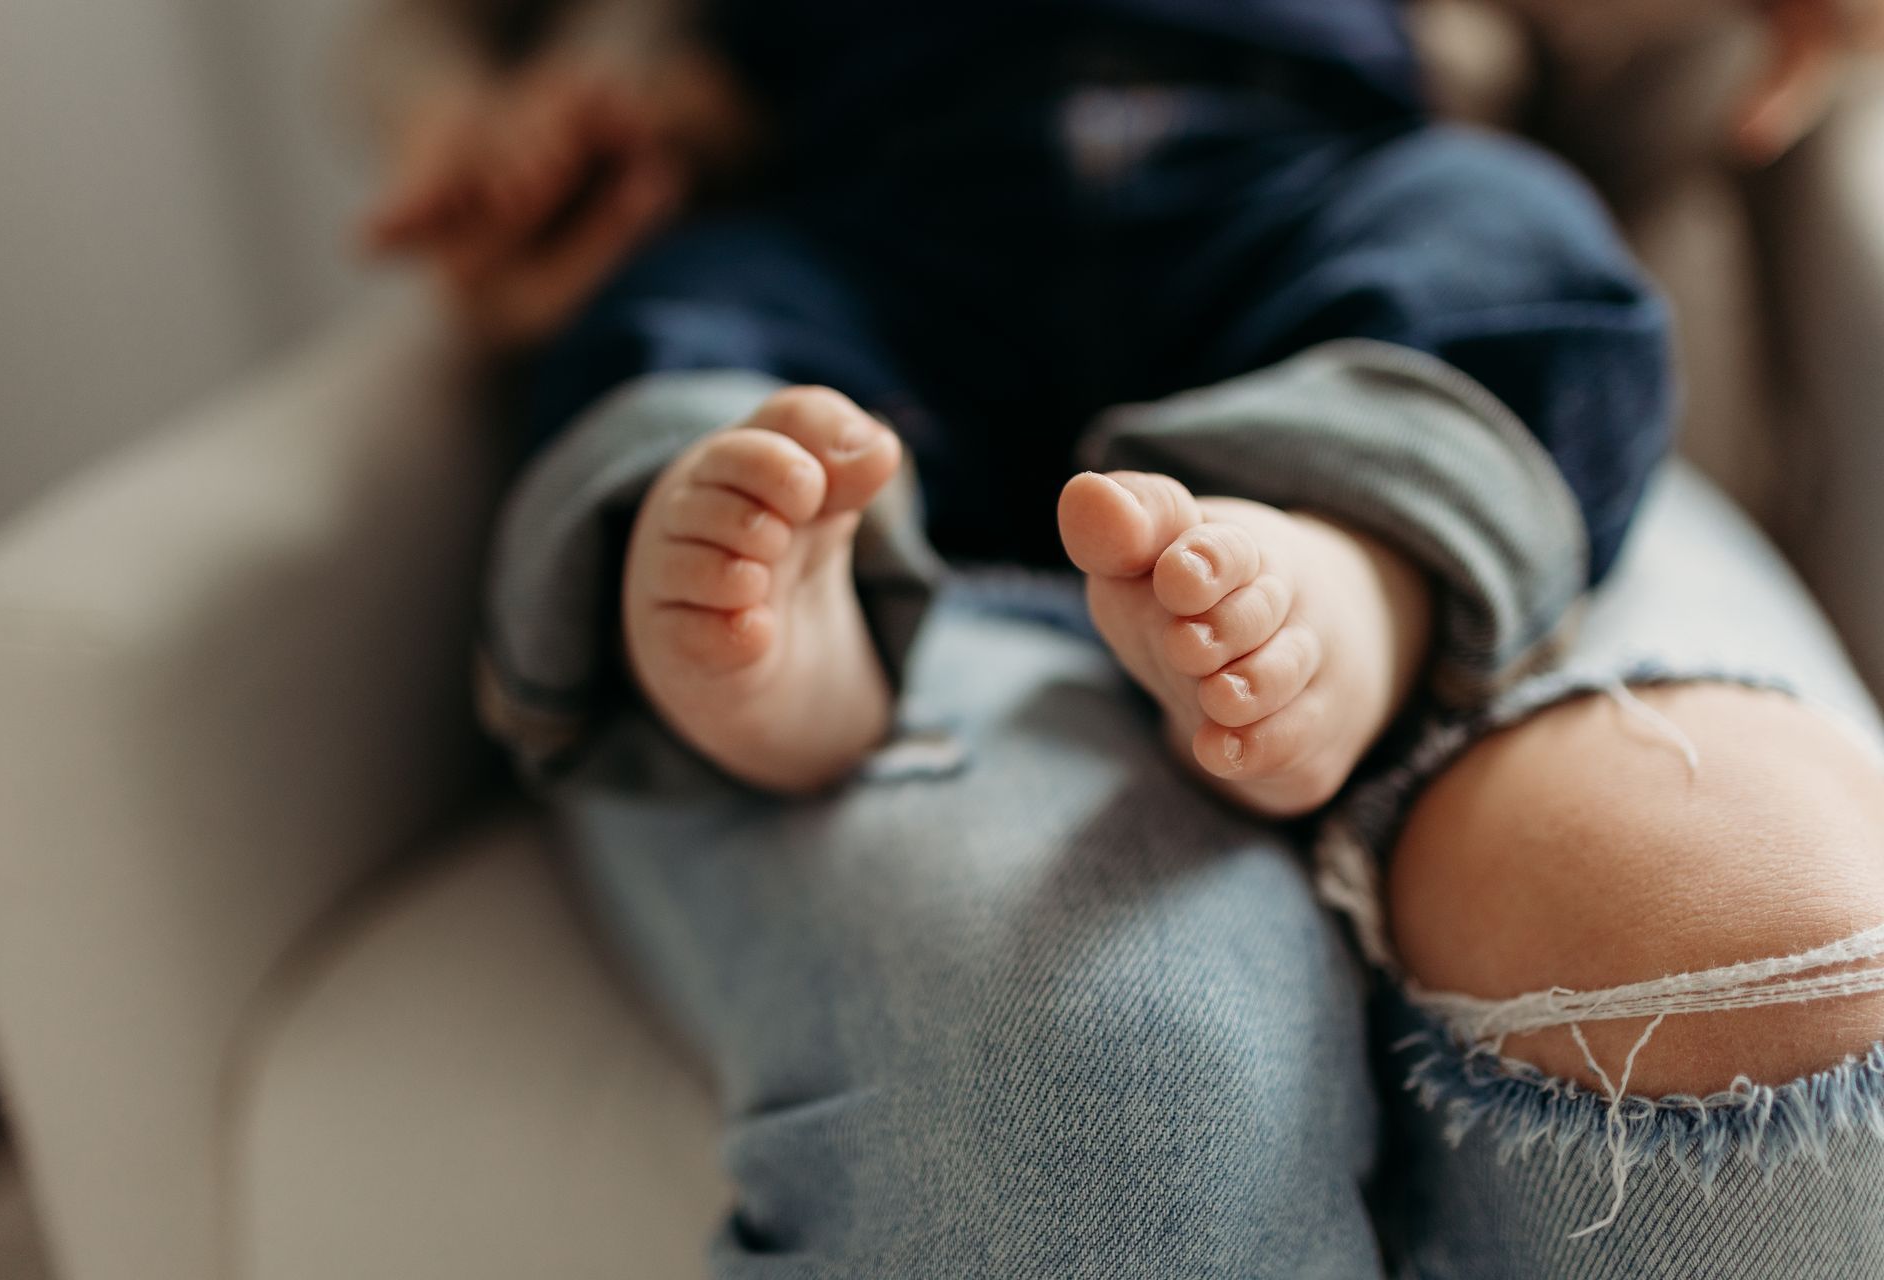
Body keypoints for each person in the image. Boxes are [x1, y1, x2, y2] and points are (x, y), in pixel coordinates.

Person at [361, 1, 1884, 1275]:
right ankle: (783, 647)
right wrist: (541, 117)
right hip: (874, 231)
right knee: (679, 330)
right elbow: (494, 50)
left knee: (1507, 241)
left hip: (1288, 193)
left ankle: (1353, 564)